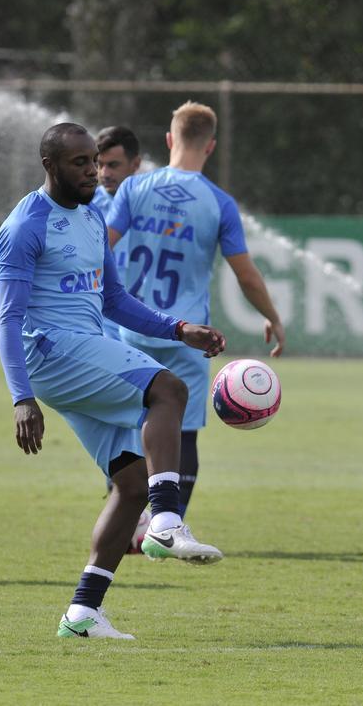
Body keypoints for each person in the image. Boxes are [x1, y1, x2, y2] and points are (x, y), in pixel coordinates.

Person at [0, 122, 226, 640]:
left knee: (132, 483)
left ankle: (83, 613)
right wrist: (21, 397)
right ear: (50, 166)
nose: (93, 173)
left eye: (95, 162)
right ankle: (166, 522)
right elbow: (6, 319)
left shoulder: (94, 217)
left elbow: (114, 300)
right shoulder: (25, 225)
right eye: (80, 163)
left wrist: (179, 329)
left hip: (82, 347)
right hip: (52, 352)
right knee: (169, 389)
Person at [107, 101, 284, 519]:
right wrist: (273, 317)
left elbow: (101, 249)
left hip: (133, 331)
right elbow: (246, 276)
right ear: (211, 146)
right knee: (182, 433)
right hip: (187, 337)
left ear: (170, 139)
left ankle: (126, 519)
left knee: (130, 428)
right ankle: (169, 523)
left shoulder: (134, 188)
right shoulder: (219, 203)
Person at [89, 126, 142, 340]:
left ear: (135, 164)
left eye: (113, 165)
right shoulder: (84, 206)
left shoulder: (154, 205)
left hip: (143, 325)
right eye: (99, 165)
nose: (104, 173)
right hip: (99, 325)